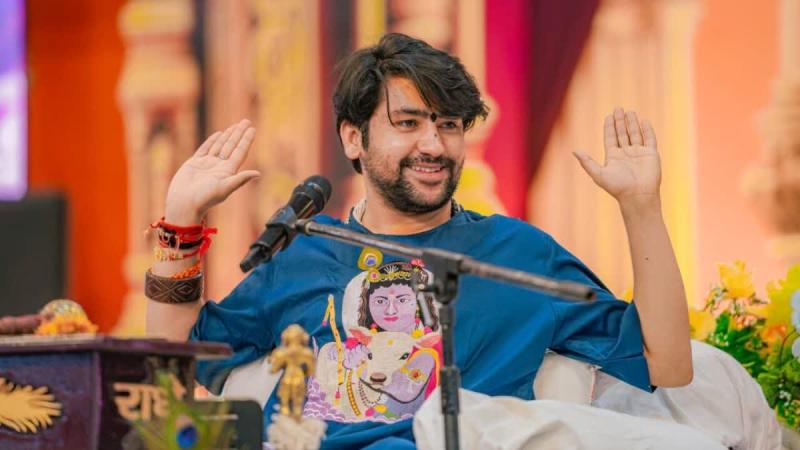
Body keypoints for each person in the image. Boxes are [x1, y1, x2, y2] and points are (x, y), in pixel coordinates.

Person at [145, 33, 692, 448]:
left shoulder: (518, 254)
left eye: (449, 124)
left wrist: (641, 207)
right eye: (408, 123)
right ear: (354, 138)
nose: (434, 144)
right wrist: (181, 220)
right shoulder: (306, 252)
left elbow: (666, 365)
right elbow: (174, 365)